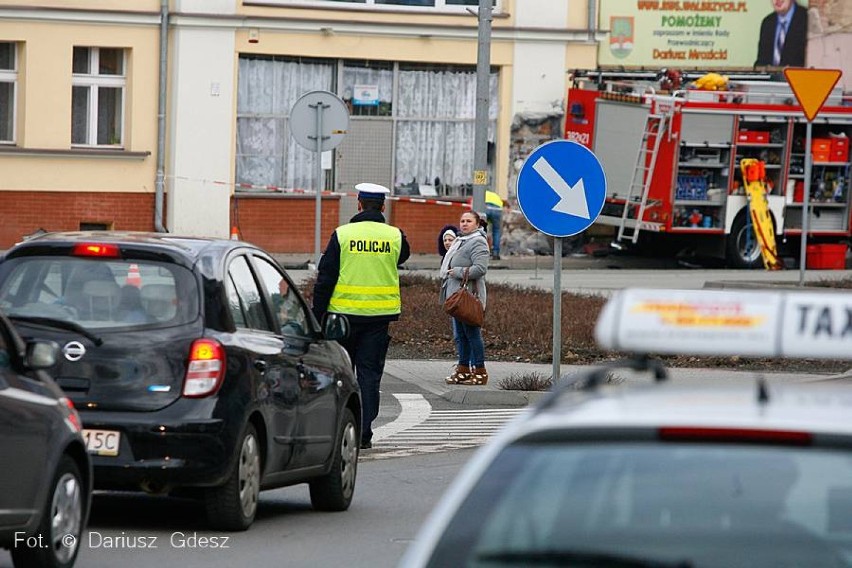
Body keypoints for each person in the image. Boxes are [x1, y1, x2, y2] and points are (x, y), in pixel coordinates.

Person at [312, 182, 411, 450]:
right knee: (369, 376)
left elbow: (325, 279)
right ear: (382, 206)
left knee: (343, 375)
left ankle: (340, 429)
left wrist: (316, 316)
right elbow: (404, 255)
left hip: (341, 319)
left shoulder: (342, 235)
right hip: (378, 319)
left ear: (358, 204)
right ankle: (364, 432)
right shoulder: (394, 236)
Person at [440, 210, 490, 386]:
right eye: (462, 221)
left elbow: (480, 268)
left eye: (469, 221)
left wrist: (458, 272)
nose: (464, 224)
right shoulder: (460, 241)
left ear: (477, 224)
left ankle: (480, 371)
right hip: (457, 297)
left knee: (472, 335)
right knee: (460, 336)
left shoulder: (478, 242)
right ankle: (463, 369)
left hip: (469, 297)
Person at [755, 0, 807, 67]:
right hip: (772, 77)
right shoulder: (767, 23)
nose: (777, 0)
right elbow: (761, 61)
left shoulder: (807, 19)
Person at [484, 190, 504, 260]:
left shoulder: (480, 193)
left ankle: (482, 252)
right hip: (498, 209)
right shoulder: (495, 195)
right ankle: (496, 253)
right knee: (496, 231)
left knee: (482, 230)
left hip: (486, 207)